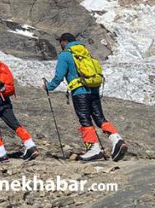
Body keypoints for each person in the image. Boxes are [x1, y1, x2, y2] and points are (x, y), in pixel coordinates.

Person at [44, 33, 127, 161]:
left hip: (79, 92)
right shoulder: (85, 52)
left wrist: (48, 87)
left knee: (85, 119)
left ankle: (94, 150)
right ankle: (117, 140)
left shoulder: (65, 55)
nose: (60, 45)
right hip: (94, 90)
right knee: (99, 118)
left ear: (65, 41)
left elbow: (59, 76)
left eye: (60, 42)